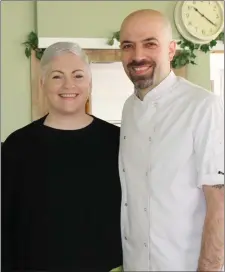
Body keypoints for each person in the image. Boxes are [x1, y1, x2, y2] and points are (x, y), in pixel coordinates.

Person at [118, 9, 224, 271]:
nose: (138, 55)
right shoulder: (129, 108)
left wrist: (209, 267)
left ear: (171, 50)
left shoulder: (203, 106)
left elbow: (219, 201)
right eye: (128, 46)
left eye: (150, 43)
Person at [2, 42, 122, 271]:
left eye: (78, 76)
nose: (69, 85)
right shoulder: (18, 145)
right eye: (57, 76)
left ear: (90, 84)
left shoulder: (118, 141)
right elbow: (5, 223)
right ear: (42, 83)